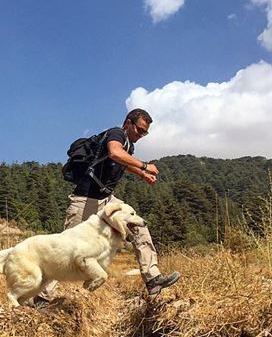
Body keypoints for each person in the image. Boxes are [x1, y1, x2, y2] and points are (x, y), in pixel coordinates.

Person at [36, 108, 180, 303]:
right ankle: (41, 298)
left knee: (138, 226)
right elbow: (114, 153)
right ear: (128, 123)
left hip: (106, 199)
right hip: (86, 199)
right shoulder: (116, 133)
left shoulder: (128, 145)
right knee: (66, 248)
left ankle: (153, 279)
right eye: (139, 130)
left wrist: (141, 174)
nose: (141, 135)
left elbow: (122, 161)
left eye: (145, 133)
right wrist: (145, 166)